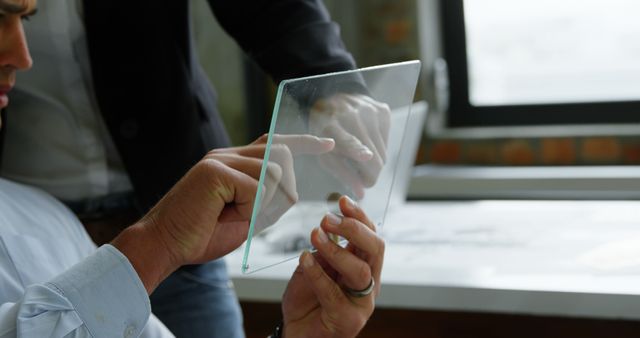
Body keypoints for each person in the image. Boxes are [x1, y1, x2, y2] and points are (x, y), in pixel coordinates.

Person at [0, 1, 390, 336]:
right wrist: (162, 239)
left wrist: (329, 81)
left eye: (26, 19)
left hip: (180, 224)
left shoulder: (61, 225)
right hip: (37, 229)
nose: (25, 57)